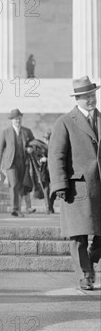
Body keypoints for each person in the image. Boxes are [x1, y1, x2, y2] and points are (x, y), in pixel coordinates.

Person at [48, 76, 100, 291]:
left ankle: (92, 258)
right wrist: (59, 185)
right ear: (77, 98)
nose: (91, 100)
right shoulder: (65, 122)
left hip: (100, 188)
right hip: (78, 187)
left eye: (93, 95)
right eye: (86, 97)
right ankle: (85, 275)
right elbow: (56, 155)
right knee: (78, 235)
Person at [0, 109, 35, 217]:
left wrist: (30, 148)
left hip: (23, 162)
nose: (17, 120)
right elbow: (0, 148)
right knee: (13, 184)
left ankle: (18, 209)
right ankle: (15, 209)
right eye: (15, 119)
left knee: (21, 186)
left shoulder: (27, 131)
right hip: (11, 163)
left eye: (19, 118)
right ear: (11, 120)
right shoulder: (6, 132)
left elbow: (33, 143)